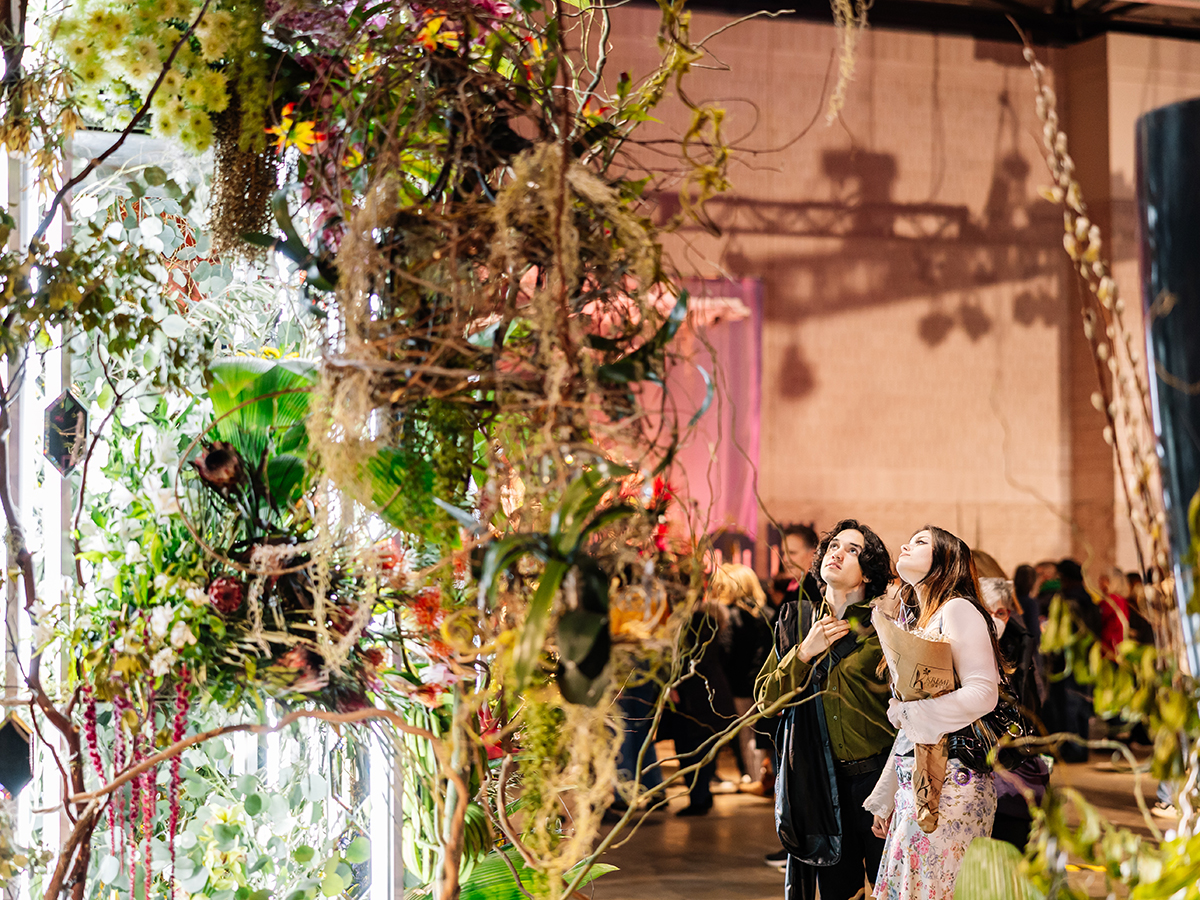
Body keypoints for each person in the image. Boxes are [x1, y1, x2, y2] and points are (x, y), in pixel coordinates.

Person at [755, 519, 897, 900]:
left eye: (853, 550)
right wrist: (803, 653)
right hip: (820, 781)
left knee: (892, 887)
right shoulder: (796, 621)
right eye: (834, 545)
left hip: (878, 779)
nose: (838, 553)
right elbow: (765, 702)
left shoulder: (883, 629)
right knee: (837, 891)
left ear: (868, 572)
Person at [864, 526, 1002, 900]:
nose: (906, 543)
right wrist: (889, 793)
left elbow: (983, 693)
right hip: (921, 781)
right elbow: (914, 721)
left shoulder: (958, 608)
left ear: (946, 561)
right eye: (909, 538)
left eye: (921, 541)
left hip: (953, 782)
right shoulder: (924, 619)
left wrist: (910, 713)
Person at [710, 563, 774, 787]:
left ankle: (755, 780)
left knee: (747, 735)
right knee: (764, 735)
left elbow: (725, 653)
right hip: (767, 683)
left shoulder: (731, 616)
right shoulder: (769, 613)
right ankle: (766, 778)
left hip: (739, 685)